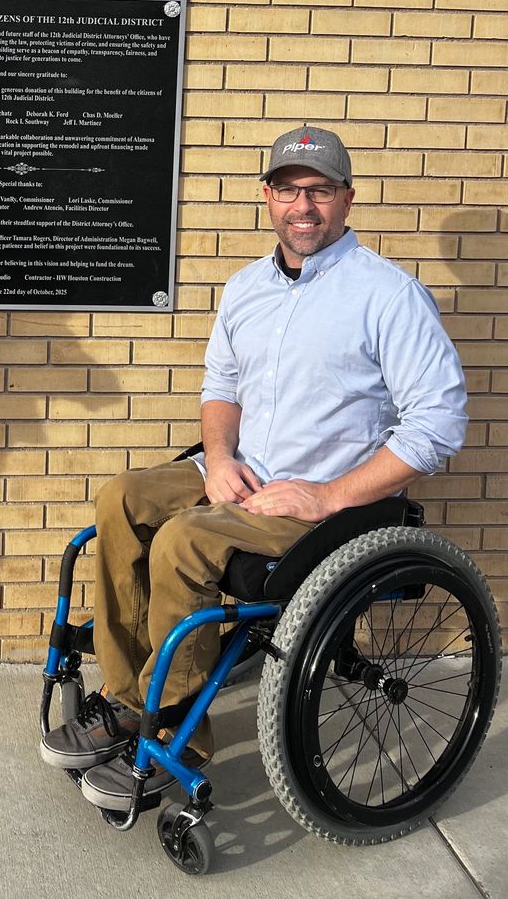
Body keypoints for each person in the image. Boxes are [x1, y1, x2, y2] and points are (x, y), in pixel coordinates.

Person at [40, 124, 467, 812]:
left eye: (320, 191)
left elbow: (438, 425)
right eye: (289, 190)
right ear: (266, 197)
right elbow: (221, 388)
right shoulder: (245, 288)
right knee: (122, 498)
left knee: (184, 543)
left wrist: (327, 496)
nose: (304, 207)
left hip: (327, 499)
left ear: (346, 199)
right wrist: (215, 459)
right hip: (243, 469)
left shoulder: (386, 295)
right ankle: (126, 700)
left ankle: (171, 730)